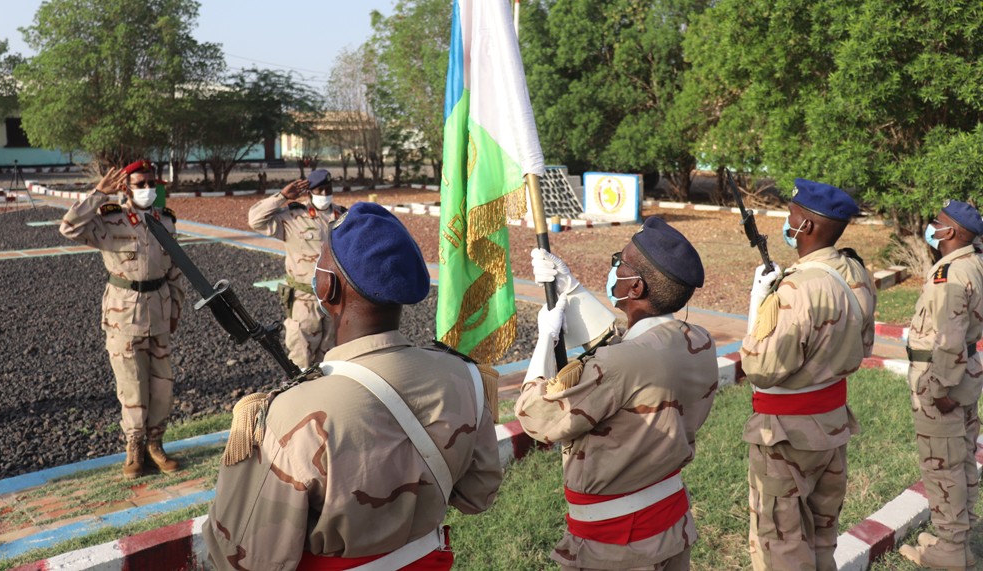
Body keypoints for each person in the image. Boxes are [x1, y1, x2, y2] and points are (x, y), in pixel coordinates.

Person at [204, 202, 502, 570]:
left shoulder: (292, 413)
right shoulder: (464, 376)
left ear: (326, 286)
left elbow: (244, 558)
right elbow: (478, 494)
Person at [518, 216, 718, 570]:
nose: (614, 268)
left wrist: (545, 341)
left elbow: (534, 416)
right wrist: (573, 291)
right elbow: (633, 349)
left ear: (636, 288)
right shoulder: (698, 339)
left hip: (618, 544)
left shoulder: (621, 363)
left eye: (619, 263)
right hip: (669, 521)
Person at [742, 179, 876, 571]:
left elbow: (760, 369)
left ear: (807, 228)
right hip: (831, 425)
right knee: (820, 538)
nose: (787, 224)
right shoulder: (855, 272)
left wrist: (760, 306)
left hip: (787, 433)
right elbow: (863, 346)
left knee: (780, 543)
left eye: (792, 218)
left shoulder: (798, 288)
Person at [59, 160, 184, 479]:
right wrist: (99, 193)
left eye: (150, 183)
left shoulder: (165, 221)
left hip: (159, 312)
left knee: (161, 387)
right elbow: (69, 228)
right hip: (123, 316)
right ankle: (134, 447)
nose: (147, 189)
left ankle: (156, 445)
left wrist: (176, 309)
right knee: (131, 386)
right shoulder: (109, 220)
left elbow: (174, 271)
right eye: (140, 184)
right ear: (126, 188)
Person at [898, 200, 983, 570]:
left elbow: (948, 340)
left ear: (955, 232)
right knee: (960, 460)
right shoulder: (973, 263)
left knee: (942, 466)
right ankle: (957, 543)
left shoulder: (951, 273)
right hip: (966, 376)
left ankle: (949, 550)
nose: (933, 227)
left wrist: (939, 389)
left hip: (946, 382)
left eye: (939, 222)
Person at [248, 168, 346, 368]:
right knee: (301, 362)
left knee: (332, 362)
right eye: (319, 191)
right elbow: (255, 220)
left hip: (335, 301)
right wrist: (282, 196)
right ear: (309, 192)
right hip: (305, 301)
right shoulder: (293, 217)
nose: (324, 194)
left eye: (328, 189)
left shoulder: (343, 216)